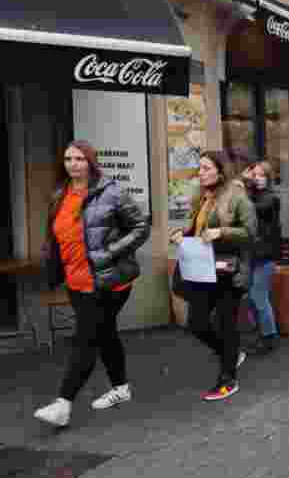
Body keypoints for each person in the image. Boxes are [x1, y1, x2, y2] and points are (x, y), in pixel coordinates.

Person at [34, 140, 151, 427]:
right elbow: (56, 237)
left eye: (79, 159)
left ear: (91, 162)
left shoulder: (111, 192)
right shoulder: (60, 194)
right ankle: (121, 388)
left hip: (107, 283)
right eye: (68, 159)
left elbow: (141, 226)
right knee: (105, 333)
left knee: (86, 338)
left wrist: (110, 252)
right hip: (76, 282)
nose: (72, 164)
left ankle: (64, 404)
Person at [170, 151, 257, 401]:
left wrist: (222, 232)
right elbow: (194, 227)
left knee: (226, 324)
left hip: (228, 270)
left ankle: (227, 380)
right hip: (202, 269)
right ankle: (230, 354)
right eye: (199, 168)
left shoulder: (237, 196)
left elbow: (251, 233)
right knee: (196, 323)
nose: (201, 173)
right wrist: (180, 235)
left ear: (221, 171)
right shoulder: (201, 197)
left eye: (206, 168)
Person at [245, 160, 281, 355]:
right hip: (252, 253)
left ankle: (269, 336)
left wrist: (246, 184)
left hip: (265, 255)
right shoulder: (255, 195)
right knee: (252, 298)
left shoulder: (271, 198)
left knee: (259, 297)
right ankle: (262, 334)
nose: (257, 179)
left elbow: (255, 208)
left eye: (261, 175)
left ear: (268, 178)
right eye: (255, 175)